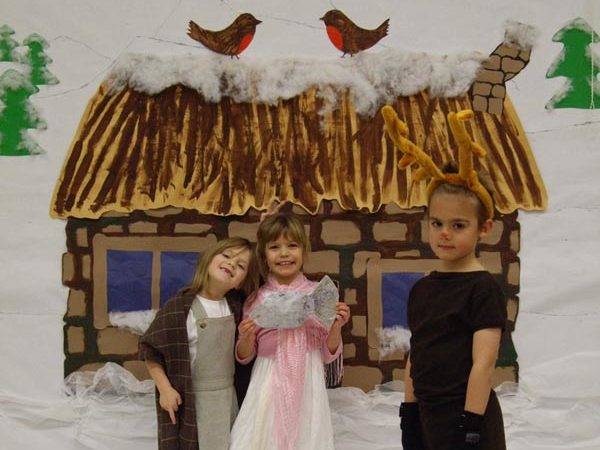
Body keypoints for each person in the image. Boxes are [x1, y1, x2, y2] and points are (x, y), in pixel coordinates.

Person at [400, 172, 507, 450]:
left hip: (467, 418)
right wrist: (409, 412)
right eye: (437, 223)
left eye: (458, 225)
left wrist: (470, 426)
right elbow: (415, 354)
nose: (444, 233)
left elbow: (483, 364)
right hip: (427, 416)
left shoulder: (483, 289)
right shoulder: (421, 289)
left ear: (484, 228)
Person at [229, 212, 351, 450]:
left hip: (308, 379)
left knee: (307, 436)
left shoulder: (320, 294)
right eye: (275, 247)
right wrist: (246, 337)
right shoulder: (256, 299)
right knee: (263, 437)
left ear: (304, 251)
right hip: (268, 379)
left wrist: (336, 327)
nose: (284, 253)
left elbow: (328, 354)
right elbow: (246, 355)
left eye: (292, 245)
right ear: (264, 255)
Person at [139, 237, 259, 450]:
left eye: (240, 265)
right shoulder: (180, 307)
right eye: (227, 255)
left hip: (227, 398)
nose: (232, 263)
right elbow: (151, 350)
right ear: (208, 258)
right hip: (193, 399)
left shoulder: (237, 308)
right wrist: (165, 390)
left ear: (240, 281)